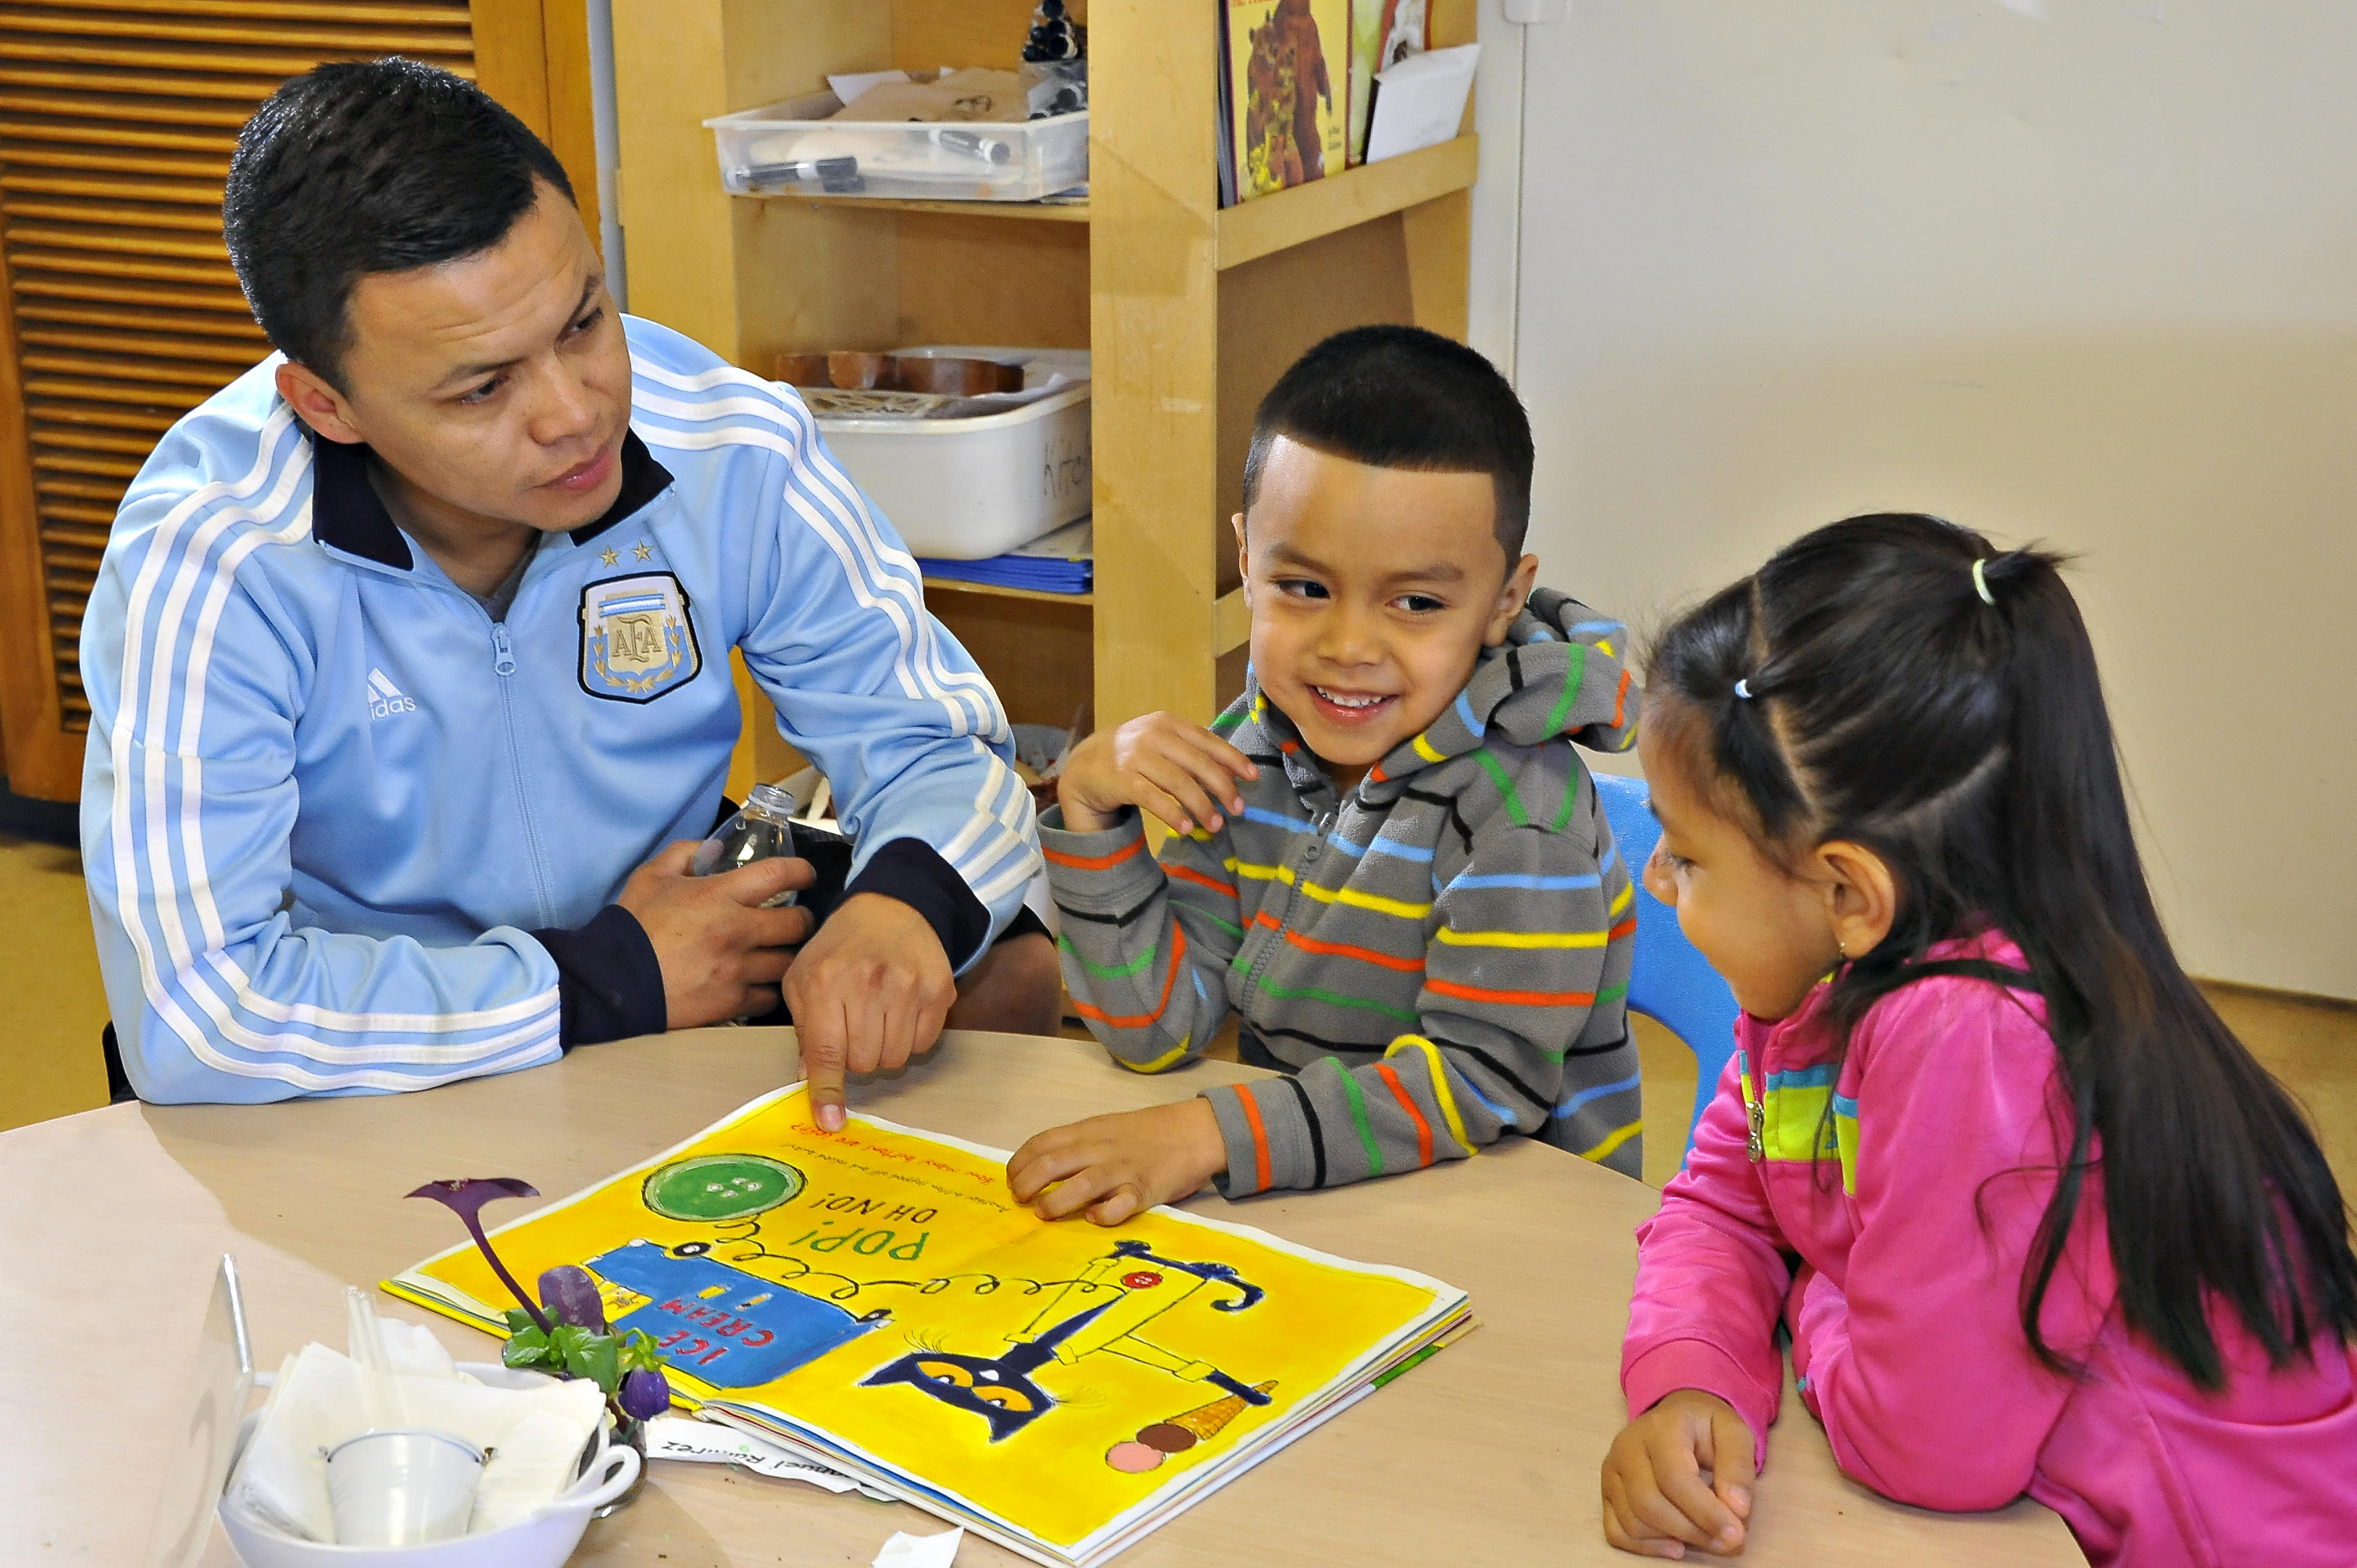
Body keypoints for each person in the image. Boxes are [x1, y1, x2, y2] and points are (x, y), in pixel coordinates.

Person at [78, 60, 1057, 1118]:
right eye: (484, 387)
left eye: (584, 322)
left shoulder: (732, 444)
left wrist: (903, 909)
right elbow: (194, 1016)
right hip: (387, 1013)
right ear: (328, 405)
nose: (575, 415)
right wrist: (605, 978)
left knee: (999, 965)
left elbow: (936, 744)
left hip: (675, 932)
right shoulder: (215, 558)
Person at [1603, 515, 2357, 1565]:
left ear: (1847, 888)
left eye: (1685, 858)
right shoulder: (1832, 987)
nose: (1658, 881)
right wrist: (1693, 1370)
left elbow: (1928, 1451)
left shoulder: (1977, 1036)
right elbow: (1724, 1203)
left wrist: (1819, 1297)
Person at [1008, 326, 1645, 1223]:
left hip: (1513, 1228)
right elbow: (1158, 1029)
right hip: (1320, 1206)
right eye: (1304, 588)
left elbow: (1478, 1086)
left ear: (1507, 597)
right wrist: (1089, 810)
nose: (1348, 649)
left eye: (1417, 603)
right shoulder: (1251, 748)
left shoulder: (1520, 818)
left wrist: (1206, 1136)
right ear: (1245, 559)